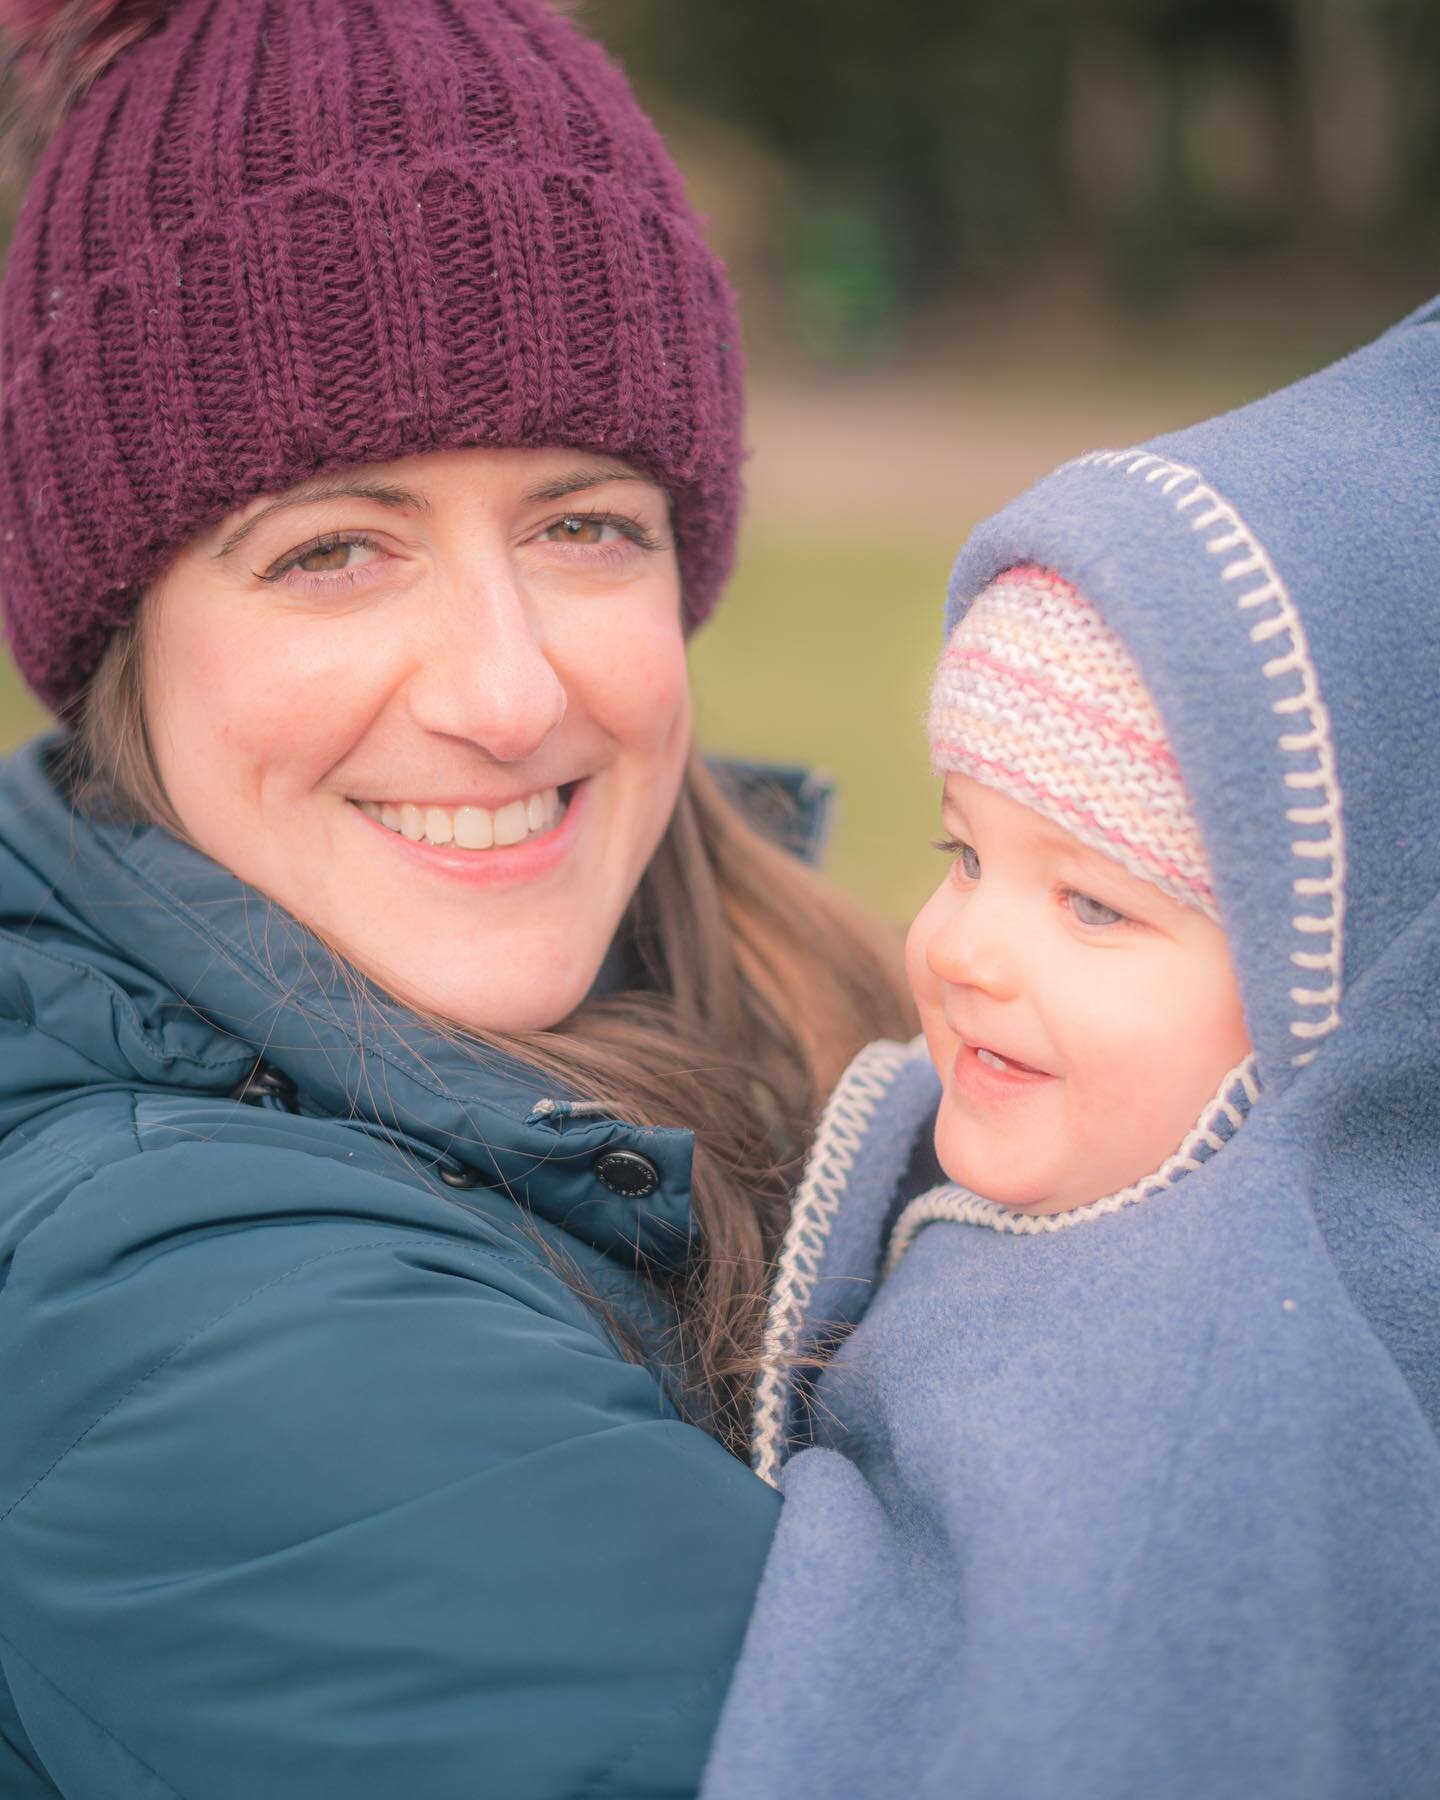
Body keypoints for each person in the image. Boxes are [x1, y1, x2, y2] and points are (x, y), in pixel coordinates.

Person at [0, 2, 914, 1795]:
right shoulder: (175, 1319)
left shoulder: (817, 998)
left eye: (586, 526)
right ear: (122, 647)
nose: (503, 694)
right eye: (332, 550)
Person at [703, 299, 1440, 1798]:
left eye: (1094, 904)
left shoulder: (1191, 1436)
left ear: (1337, 987)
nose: (965, 947)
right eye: (963, 852)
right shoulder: (1103, 1164)